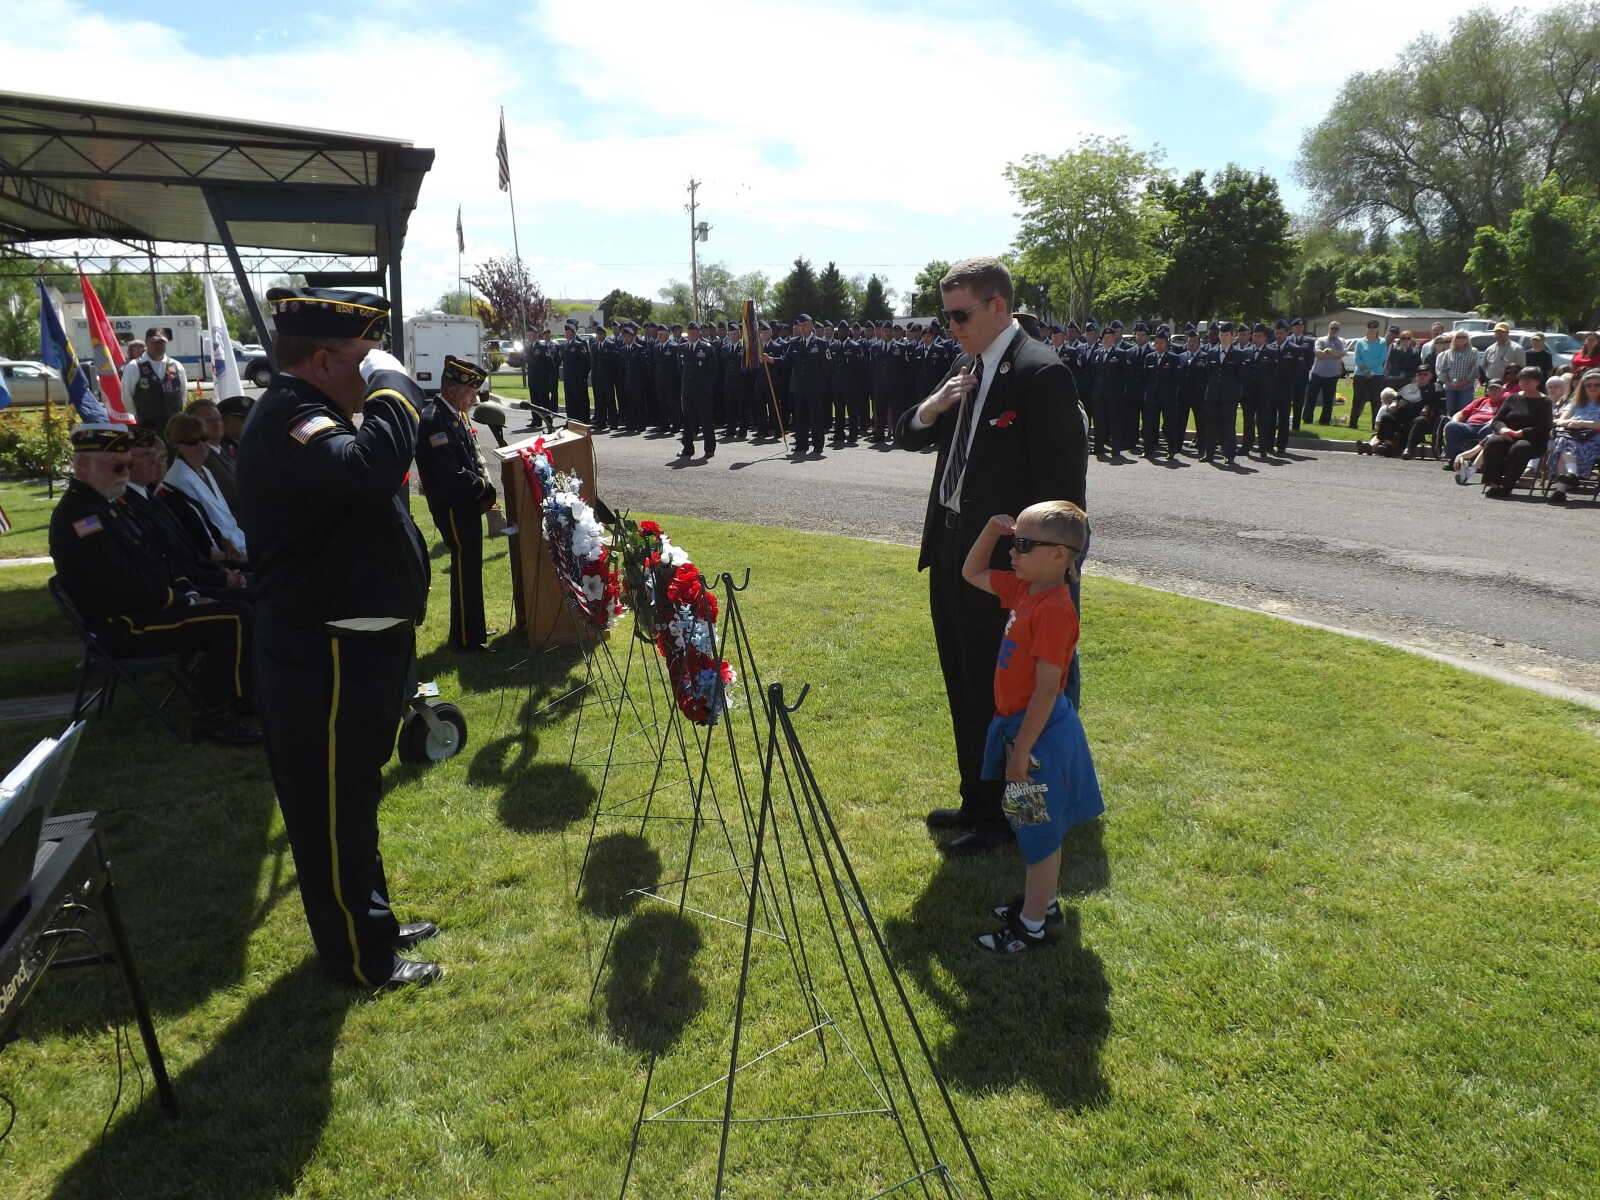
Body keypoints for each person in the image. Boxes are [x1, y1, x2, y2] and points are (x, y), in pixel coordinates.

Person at [236, 287, 438, 991]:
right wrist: (396, 388)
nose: (373, 372)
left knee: (352, 798)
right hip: (321, 654)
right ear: (323, 361)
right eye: (364, 359)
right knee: (330, 810)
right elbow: (368, 470)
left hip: (351, 646)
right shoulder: (292, 418)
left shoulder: (312, 412)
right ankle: (360, 957)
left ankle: (370, 923)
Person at [896, 256, 1086, 857]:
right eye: (945, 316)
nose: (950, 327)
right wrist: (935, 405)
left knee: (1009, 694)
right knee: (964, 680)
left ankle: (1014, 818)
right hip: (956, 548)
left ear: (998, 306)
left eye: (959, 315)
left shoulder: (1040, 372)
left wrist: (1046, 574)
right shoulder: (966, 366)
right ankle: (978, 802)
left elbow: (1064, 489)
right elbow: (908, 431)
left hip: (1011, 566)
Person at [49, 424, 258, 745]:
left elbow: (153, 564)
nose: (124, 474)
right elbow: (119, 587)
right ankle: (218, 715)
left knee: (237, 609)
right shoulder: (82, 518)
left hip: (145, 609)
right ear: (83, 468)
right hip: (125, 625)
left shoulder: (106, 505)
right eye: (117, 467)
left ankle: (240, 698)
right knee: (233, 618)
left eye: (126, 466)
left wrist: (187, 592)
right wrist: (183, 600)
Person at [956, 501, 1102, 953]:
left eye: (1023, 544)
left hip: (1036, 739)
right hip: (1022, 730)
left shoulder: (1054, 610)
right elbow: (970, 573)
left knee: (1036, 834)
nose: (1012, 552)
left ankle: (1031, 926)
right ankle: (1045, 903)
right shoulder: (1026, 590)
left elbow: (1047, 690)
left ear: (1059, 555)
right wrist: (990, 530)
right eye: (1013, 541)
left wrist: (1021, 750)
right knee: (1034, 829)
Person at [417, 355, 496, 652]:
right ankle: (466, 639)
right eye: (470, 392)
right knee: (465, 567)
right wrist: (483, 489)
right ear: (452, 390)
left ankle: (473, 628)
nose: (474, 399)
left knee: (471, 568)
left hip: (465, 503)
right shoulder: (434, 419)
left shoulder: (453, 414)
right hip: (453, 505)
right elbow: (450, 472)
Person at [164, 411, 247, 561]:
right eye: (192, 442)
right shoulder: (177, 479)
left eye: (204, 439)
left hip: (240, 542)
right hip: (222, 554)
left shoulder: (205, 471)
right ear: (178, 446)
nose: (201, 446)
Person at [1477, 367, 1552, 498]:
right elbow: (1497, 420)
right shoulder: (1512, 398)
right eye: (1522, 379)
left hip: (1532, 439)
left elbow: (1544, 426)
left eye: (1529, 380)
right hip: (1508, 435)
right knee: (1493, 442)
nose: (1525, 382)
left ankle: (1508, 485)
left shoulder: (1545, 402)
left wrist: (1522, 433)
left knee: (1520, 448)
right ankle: (1494, 483)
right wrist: (1502, 429)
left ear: (1537, 382)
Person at [1546, 369, 1600, 503]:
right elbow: (1558, 421)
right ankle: (1571, 474)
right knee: (1564, 441)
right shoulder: (1575, 403)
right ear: (1583, 387)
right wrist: (1570, 422)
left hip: (1594, 442)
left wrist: (1581, 423)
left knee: (1562, 444)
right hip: (1572, 437)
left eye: (1597, 385)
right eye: (1588, 385)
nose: (1592, 387)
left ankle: (1561, 489)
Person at [184, 397, 243, 518]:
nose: (217, 425)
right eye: (209, 421)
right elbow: (236, 494)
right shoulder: (202, 458)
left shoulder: (223, 451)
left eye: (218, 419)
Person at [121, 329, 188, 432]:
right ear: (147, 342)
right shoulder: (134, 366)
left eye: (162, 342)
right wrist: (134, 418)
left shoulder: (176, 366)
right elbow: (126, 396)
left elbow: (183, 394)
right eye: (154, 342)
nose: (158, 346)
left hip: (173, 427)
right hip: (146, 427)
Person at [677, 322, 720, 459]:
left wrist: (707, 389)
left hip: (702, 392)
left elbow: (713, 371)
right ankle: (688, 448)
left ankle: (709, 449)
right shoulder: (682, 348)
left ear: (698, 332)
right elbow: (680, 369)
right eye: (689, 332)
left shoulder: (707, 348)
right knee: (687, 420)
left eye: (694, 332)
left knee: (706, 420)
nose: (691, 334)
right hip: (687, 391)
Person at [1442, 381, 1506, 466]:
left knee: (1490, 427)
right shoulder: (1480, 401)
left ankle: (1480, 461)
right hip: (1470, 426)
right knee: (1451, 426)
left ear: (1502, 391)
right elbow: (1461, 413)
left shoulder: (1506, 403)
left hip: (1488, 426)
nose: (1494, 392)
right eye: (1491, 389)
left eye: (1497, 390)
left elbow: (1502, 418)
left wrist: (1491, 422)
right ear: (1487, 391)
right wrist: (1455, 420)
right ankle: (1455, 460)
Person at [1303, 321, 1345, 427]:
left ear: (1339, 330)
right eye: (1332, 328)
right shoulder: (1320, 340)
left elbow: (1342, 354)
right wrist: (1334, 354)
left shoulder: (1341, 341)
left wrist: (1329, 351)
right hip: (1317, 373)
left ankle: (1324, 421)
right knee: (1311, 398)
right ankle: (1307, 419)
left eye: (1336, 328)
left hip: (1333, 375)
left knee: (1328, 400)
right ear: (1329, 328)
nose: (1334, 330)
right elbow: (1318, 354)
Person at [1349, 319, 1389, 431]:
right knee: (1358, 400)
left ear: (1377, 329)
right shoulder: (1360, 342)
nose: (1372, 329)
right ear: (1367, 328)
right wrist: (1365, 371)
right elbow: (1357, 358)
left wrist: (1369, 370)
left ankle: (1374, 426)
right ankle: (1353, 424)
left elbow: (1382, 358)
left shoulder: (1382, 342)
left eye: (1374, 327)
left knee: (1376, 401)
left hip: (1376, 375)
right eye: (1370, 327)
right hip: (1360, 375)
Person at [558, 321, 591, 424]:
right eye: (566, 332)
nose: (567, 334)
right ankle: (571, 421)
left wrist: (582, 377)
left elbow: (586, 363)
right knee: (570, 400)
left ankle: (583, 420)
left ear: (574, 333)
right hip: (568, 379)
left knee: (580, 400)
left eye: (569, 332)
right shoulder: (564, 346)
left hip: (578, 379)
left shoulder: (579, 345)